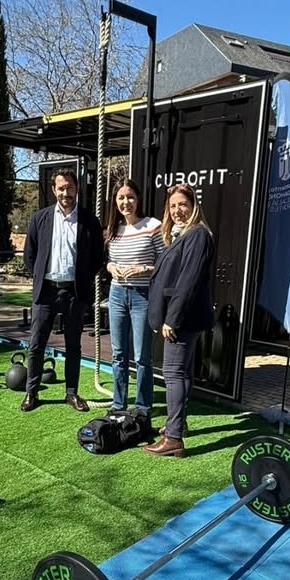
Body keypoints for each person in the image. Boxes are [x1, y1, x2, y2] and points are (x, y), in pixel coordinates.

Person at [21, 168, 104, 412]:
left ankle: (71, 393)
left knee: (73, 346)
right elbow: (30, 255)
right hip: (45, 292)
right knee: (36, 344)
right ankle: (31, 393)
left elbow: (98, 258)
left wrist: (83, 281)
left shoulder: (90, 221)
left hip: (74, 294)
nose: (65, 192)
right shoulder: (40, 218)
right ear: (54, 190)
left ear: (77, 189)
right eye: (61, 188)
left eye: (69, 187)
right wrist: (39, 277)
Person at [143, 183, 215, 457]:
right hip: (184, 318)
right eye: (172, 206)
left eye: (182, 204)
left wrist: (171, 319)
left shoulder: (197, 235)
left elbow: (188, 281)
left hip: (182, 319)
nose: (177, 211)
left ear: (193, 205)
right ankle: (178, 424)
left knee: (173, 375)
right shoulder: (183, 235)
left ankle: (173, 439)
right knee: (182, 373)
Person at [105, 178, 164, 414]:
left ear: (138, 199)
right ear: (115, 201)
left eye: (130, 196)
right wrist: (111, 268)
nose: (125, 202)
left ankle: (142, 406)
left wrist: (144, 269)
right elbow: (108, 261)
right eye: (120, 197)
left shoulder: (153, 225)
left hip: (142, 295)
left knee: (142, 357)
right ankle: (119, 404)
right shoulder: (113, 229)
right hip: (117, 293)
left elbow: (165, 261)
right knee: (118, 354)